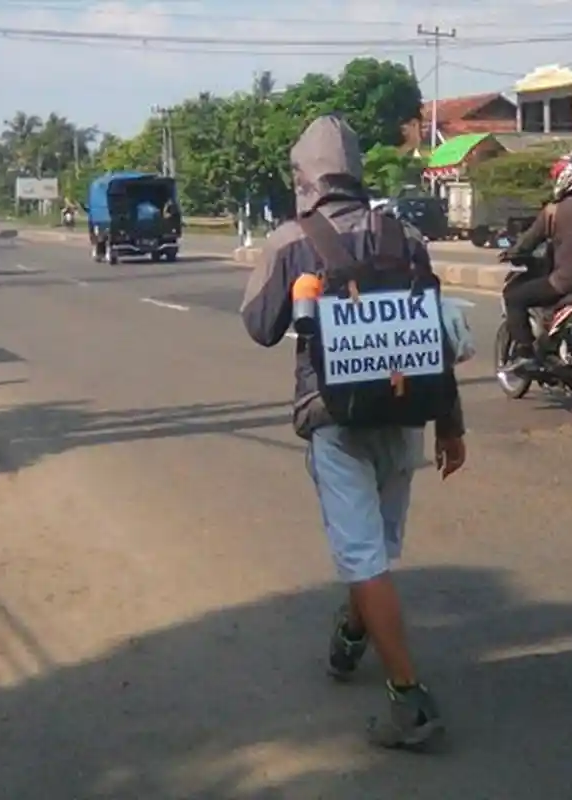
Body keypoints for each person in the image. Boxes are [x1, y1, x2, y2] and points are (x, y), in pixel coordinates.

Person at [240, 115, 466, 750]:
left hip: (335, 419)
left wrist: (301, 288)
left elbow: (259, 326)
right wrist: (451, 426)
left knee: (364, 557)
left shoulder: (291, 240)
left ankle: (408, 700)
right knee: (375, 552)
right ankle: (354, 627)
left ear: (303, 177)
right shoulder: (405, 234)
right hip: (406, 411)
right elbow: (432, 335)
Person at [498, 152, 572, 374]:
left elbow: (528, 242)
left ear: (564, 179)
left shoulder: (553, 211)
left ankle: (526, 353)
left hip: (566, 282)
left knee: (514, 296)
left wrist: (512, 252)